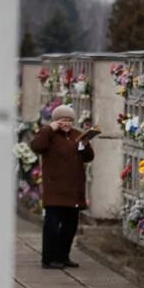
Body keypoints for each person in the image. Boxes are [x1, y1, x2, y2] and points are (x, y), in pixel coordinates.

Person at [29, 105, 95, 268]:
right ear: (56, 121)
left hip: (73, 188)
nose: (66, 123)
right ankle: (49, 258)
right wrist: (48, 129)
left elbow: (88, 157)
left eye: (69, 120)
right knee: (52, 225)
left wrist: (85, 144)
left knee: (70, 226)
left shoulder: (77, 135)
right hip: (55, 188)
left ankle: (63, 256)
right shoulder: (49, 134)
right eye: (63, 120)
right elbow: (36, 146)